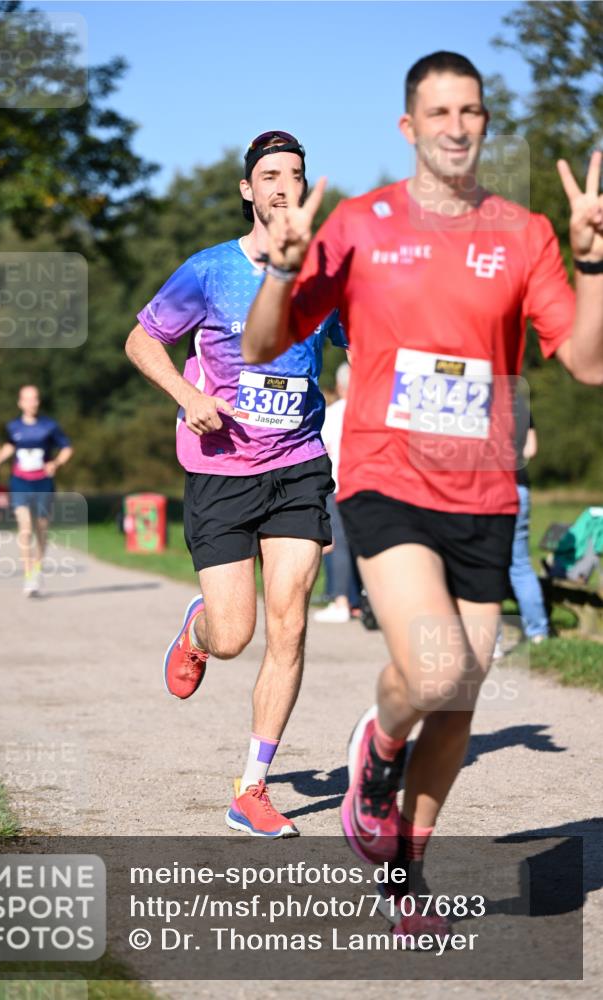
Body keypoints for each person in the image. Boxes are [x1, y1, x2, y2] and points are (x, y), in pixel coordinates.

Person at [242, 51, 602, 932]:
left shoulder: (524, 235)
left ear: (483, 124)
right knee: (436, 665)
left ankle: (405, 876)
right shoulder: (357, 225)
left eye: (469, 111)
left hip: (482, 490)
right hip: (385, 479)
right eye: (436, 113)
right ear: (409, 128)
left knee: (461, 687)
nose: (454, 126)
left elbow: (588, 363)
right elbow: (258, 347)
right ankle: (378, 748)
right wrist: (283, 274)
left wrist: (595, 263)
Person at [126, 131, 346, 838]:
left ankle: (251, 786)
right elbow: (141, 341)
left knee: (290, 622)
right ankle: (198, 630)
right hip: (220, 467)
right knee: (234, 636)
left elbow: (369, 341)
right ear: (248, 191)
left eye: (295, 174)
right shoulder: (209, 270)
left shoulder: (323, 275)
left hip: (298, 463)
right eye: (270, 174)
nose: (284, 184)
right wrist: (183, 396)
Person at [0, 385, 73, 596]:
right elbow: (10, 445)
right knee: (25, 528)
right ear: (20, 403)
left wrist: (56, 463)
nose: (31, 403)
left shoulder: (49, 426)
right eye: (27, 399)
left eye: (35, 398)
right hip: (20, 482)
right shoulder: (13, 426)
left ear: (38, 401)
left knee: (41, 528)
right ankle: (28, 575)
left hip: (43, 483)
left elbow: (67, 447)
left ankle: (37, 567)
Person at [494, 396, 549, 658]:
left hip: (487, 486)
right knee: (521, 565)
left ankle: (491, 641)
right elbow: (531, 449)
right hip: (518, 486)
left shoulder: (474, 393)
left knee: (487, 564)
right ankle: (538, 632)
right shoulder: (518, 401)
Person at [314, 362, 362, 623]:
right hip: (366, 485)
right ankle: (361, 602)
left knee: (339, 544)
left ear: (342, 386)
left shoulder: (332, 414)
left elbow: (325, 450)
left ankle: (341, 600)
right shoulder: (370, 412)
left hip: (338, 485)